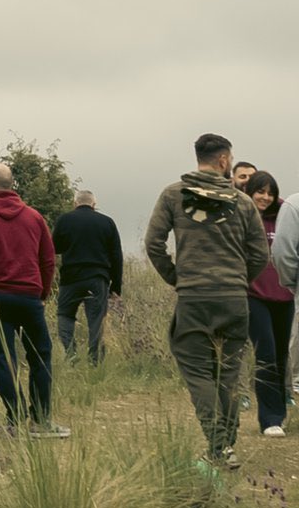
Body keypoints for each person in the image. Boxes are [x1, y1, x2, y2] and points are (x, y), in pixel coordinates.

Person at [146, 132, 267, 469]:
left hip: (194, 296)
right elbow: (259, 253)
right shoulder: (242, 203)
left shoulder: (173, 194)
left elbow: (153, 243)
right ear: (225, 161)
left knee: (198, 372)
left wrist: (176, 277)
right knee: (227, 373)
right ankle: (225, 444)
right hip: (233, 298)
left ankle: (218, 445)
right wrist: (239, 280)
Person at [0, 163, 67, 438]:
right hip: (30, 298)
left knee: (3, 360)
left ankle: (16, 421)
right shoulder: (34, 217)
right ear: (11, 184)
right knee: (40, 357)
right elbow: (48, 259)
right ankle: (42, 422)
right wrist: (41, 294)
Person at [244, 171, 292, 436]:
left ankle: (280, 415)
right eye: (259, 191)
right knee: (266, 355)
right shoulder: (244, 219)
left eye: (269, 192)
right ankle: (269, 418)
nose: (265, 197)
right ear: (250, 192)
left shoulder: (285, 218)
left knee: (281, 355)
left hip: (285, 296)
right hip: (254, 296)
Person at [51, 190, 122, 363]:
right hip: (98, 278)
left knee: (64, 315)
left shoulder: (64, 220)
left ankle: (71, 355)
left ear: (74, 203)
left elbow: (54, 248)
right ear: (94, 205)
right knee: (97, 321)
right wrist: (116, 286)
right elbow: (116, 256)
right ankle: (95, 362)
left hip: (71, 278)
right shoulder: (107, 222)